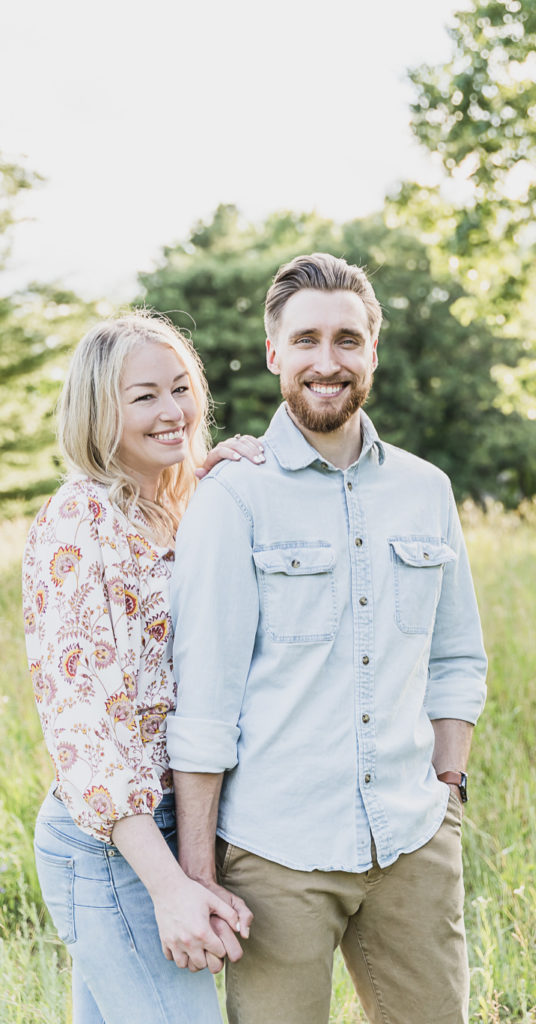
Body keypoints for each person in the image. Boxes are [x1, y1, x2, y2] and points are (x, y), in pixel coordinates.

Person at [168, 253, 488, 1024]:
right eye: (306, 339)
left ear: (373, 351)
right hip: (277, 856)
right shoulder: (233, 497)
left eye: (348, 339)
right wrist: (200, 870)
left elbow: (456, 657)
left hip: (413, 842)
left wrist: (446, 789)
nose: (327, 360)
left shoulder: (426, 489)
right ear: (275, 352)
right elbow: (204, 703)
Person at [22, 311, 260, 1024]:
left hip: (167, 822)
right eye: (145, 396)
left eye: (181, 389)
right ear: (101, 411)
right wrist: (171, 884)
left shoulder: (193, 507)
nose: (173, 412)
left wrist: (239, 481)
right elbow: (84, 724)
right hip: (110, 841)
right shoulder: (80, 521)